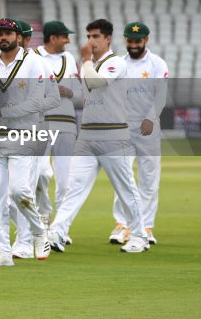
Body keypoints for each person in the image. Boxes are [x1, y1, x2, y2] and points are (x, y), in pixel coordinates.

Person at [48, 19, 149, 254]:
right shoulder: (91, 65)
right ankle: (57, 233)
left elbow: (96, 81)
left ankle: (139, 236)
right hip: (88, 135)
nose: (91, 41)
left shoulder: (116, 63)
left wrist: (84, 60)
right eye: (89, 36)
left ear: (108, 39)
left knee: (126, 189)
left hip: (113, 134)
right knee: (74, 187)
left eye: (96, 36)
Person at [0, 18, 51, 267]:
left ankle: (39, 231)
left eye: (8, 33)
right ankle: (2, 252)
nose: (3, 37)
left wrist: (4, 111)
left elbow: (36, 101)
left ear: (19, 36)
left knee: (18, 191)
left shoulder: (33, 62)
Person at [109, 21, 168, 245]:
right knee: (122, 177)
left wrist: (151, 118)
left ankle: (146, 226)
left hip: (148, 128)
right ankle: (122, 225)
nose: (134, 44)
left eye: (138, 40)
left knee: (149, 178)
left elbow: (160, 95)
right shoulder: (118, 64)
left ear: (146, 40)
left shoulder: (156, 64)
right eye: (130, 40)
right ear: (125, 40)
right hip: (123, 128)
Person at [8, 20, 61, 259]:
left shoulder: (38, 63)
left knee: (36, 179)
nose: (25, 41)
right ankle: (33, 229)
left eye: (27, 37)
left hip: (35, 130)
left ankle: (26, 239)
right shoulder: (2, 63)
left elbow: (53, 95)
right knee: (9, 193)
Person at [32, 21, 84, 245]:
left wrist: (68, 91)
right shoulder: (32, 57)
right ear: (53, 38)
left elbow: (79, 94)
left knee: (65, 182)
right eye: (64, 36)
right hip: (41, 123)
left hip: (66, 123)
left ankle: (59, 229)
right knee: (41, 174)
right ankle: (42, 220)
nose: (68, 41)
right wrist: (54, 90)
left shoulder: (69, 59)